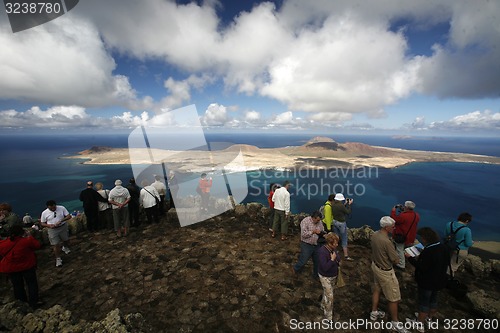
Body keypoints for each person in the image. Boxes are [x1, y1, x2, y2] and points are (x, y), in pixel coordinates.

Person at [405, 227, 449, 332]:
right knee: (433, 299)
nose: (421, 240)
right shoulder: (443, 247)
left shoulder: (429, 251)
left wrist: (410, 258)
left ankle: (419, 323)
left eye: (421, 238)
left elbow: (422, 267)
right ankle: (429, 318)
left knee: (424, 302)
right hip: (440, 279)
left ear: (425, 238)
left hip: (428, 280)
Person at [370, 216, 409, 333]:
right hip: (385, 271)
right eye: (392, 227)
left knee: (377, 289)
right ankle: (395, 322)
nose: (394, 228)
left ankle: (374, 312)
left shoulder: (374, 235)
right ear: (387, 228)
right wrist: (405, 255)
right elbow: (396, 260)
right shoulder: (387, 242)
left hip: (375, 266)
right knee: (393, 298)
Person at [0, 225, 42, 308]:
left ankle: (22, 303)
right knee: (31, 284)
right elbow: (37, 245)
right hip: (27, 266)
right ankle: (34, 302)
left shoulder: (3, 244)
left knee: (17, 286)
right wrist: (29, 236)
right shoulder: (26, 241)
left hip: (11, 268)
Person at [292, 211, 324, 278]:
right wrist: (313, 232)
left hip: (316, 244)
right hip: (307, 244)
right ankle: (295, 269)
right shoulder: (305, 221)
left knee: (317, 261)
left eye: (319, 220)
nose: (318, 222)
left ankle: (316, 275)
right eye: (317, 220)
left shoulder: (319, 222)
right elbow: (303, 234)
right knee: (303, 260)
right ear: (313, 218)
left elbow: (322, 230)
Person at [40, 200, 72, 267]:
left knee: (66, 240)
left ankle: (65, 247)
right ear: (48, 207)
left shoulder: (61, 208)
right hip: (52, 230)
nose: (53, 209)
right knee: (55, 244)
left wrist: (61, 221)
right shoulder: (44, 213)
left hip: (62, 227)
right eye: (51, 208)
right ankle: (58, 259)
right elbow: (42, 223)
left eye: (54, 207)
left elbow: (69, 216)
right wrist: (49, 225)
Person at [317, 232, 341, 321]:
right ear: (330, 243)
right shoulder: (322, 252)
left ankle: (323, 305)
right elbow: (325, 268)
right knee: (330, 297)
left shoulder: (333, 249)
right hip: (325, 277)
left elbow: (338, 259)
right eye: (335, 243)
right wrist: (332, 260)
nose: (337, 244)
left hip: (333, 276)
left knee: (327, 293)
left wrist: (335, 258)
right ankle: (328, 318)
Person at [391, 201, 420, 269]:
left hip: (401, 236)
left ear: (406, 207)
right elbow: (408, 221)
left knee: (399, 249)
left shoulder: (403, 216)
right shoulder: (416, 215)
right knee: (408, 247)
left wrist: (393, 210)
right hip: (411, 236)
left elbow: (394, 220)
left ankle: (401, 264)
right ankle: (409, 257)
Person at [331, 193, 354, 260]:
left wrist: (345, 204)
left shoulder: (333, 204)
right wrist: (349, 205)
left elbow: (340, 208)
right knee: (344, 238)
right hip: (341, 223)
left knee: (336, 237)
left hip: (334, 222)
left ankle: (334, 251)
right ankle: (346, 255)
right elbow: (348, 212)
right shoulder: (341, 206)